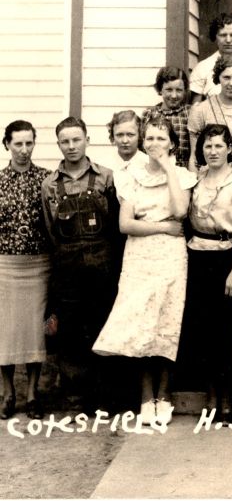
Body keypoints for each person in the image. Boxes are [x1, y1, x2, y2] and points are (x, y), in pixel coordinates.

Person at [92, 116, 196, 426]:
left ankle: (163, 395)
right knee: (141, 324)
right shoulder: (131, 177)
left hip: (171, 257)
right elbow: (126, 224)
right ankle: (145, 396)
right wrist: (163, 227)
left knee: (166, 323)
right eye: (149, 138)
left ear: (172, 143)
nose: (154, 144)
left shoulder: (182, 176)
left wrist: (168, 169)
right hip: (139, 256)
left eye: (161, 139)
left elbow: (180, 211)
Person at [41, 117, 121, 413]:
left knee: (102, 323)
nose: (71, 146)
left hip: (102, 263)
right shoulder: (50, 185)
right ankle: (75, 395)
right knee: (71, 329)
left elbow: (115, 225)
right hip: (67, 265)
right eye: (65, 141)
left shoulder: (106, 177)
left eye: (76, 139)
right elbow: (50, 229)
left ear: (87, 139)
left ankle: (104, 395)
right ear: (58, 144)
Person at [179, 124, 232, 424]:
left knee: (227, 329)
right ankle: (211, 396)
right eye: (208, 146)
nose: (213, 151)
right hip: (199, 256)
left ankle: (229, 399)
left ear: (229, 149)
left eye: (218, 146)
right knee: (204, 329)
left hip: (228, 257)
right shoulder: (196, 180)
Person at [0, 121, 51, 420]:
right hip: (5, 265)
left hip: (39, 264)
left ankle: (33, 393)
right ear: (7, 144)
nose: (23, 149)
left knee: (35, 331)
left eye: (29, 143)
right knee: (5, 330)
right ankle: (8, 392)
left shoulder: (46, 179)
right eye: (17, 143)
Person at [188, 55, 232, 166]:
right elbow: (194, 157)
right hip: (210, 172)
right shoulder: (201, 110)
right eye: (226, 77)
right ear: (218, 77)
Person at [190, 13, 232, 103]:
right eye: (223, 35)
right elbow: (195, 105)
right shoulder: (202, 68)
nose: (228, 40)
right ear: (215, 36)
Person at [143, 67, 192, 169]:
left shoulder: (190, 113)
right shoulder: (149, 114)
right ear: (160, 89)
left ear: (185, 91)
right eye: (169, 90)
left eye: (179, 90)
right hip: (157, 169)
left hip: (184, 170)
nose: (174, 95)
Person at [105, 110, 149, 178]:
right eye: (119, 135)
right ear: (113, 136)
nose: (125, 141)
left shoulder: (149, 164)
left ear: (140, 135)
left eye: (130, 134)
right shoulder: (104, 166)